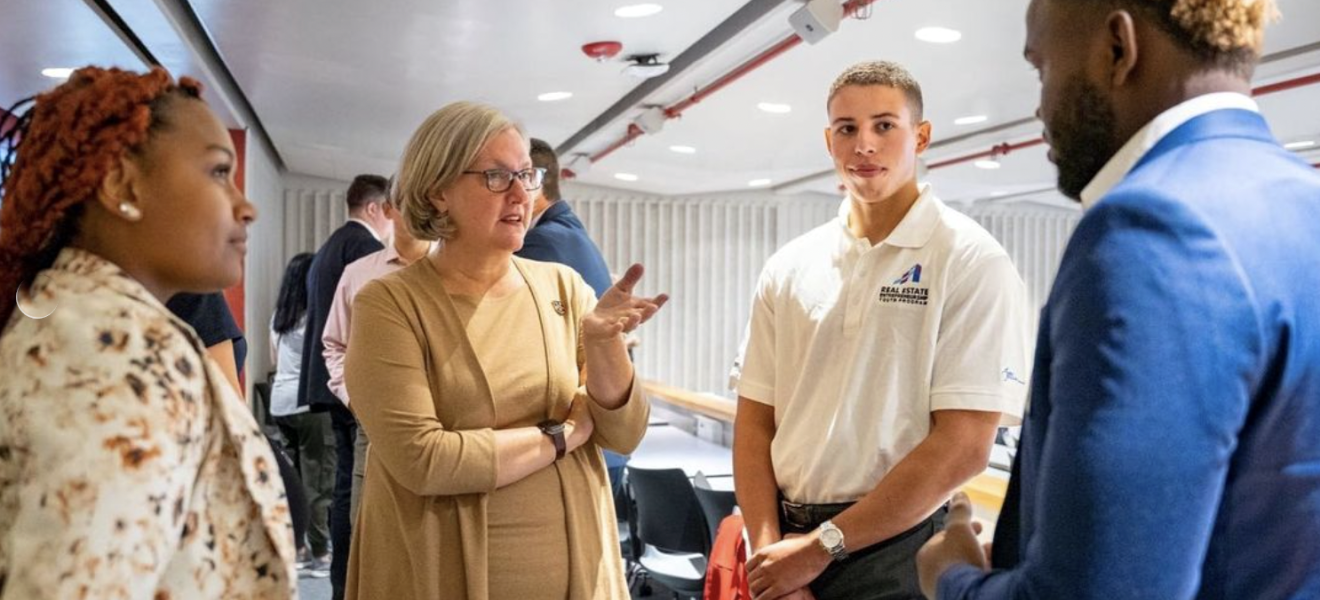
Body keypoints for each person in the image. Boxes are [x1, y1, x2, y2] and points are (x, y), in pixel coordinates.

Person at [918, 0, 1320, 598]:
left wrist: (950, 576)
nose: (1038, 107)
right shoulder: (1303, 202)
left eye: (1042, 68)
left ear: (1117, 48)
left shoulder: (1152, 229)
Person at [343, 101, 667, 599]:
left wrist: (604, 349)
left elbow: (624, 434)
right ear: (438, 191)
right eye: (496, 177)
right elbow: (424, 459)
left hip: (580, 570)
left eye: (526, 175)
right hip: (443, 571)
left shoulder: (563, 286)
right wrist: (562, 435)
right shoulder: (389, 304)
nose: (521, 194)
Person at [733, 61, 1032, 600]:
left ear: (920, 136)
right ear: (829, 141)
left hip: (898, 549)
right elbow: (755, 420)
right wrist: (768, 554)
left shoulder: (969, 259)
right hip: (784, 542)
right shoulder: (790, 264)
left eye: (884, 126)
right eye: (847, 129)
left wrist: (819, 548)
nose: (864, 144)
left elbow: (964, 444)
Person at [0, 66, 294, 597]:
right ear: (122, 184)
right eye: (217, 172)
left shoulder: (75, 315)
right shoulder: (114, 349)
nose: (245, 207)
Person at [515, 137, 630, 495]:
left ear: (532, 181)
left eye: (508, 178)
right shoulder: (568, 233)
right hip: (599, 440)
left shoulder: (540, 245)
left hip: (577, 436)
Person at [321, 179, 432, 533]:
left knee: (432, 536)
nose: (418, 212)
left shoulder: (454, 272)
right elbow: (334, 344)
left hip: (443, 424)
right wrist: (353, 398)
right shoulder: (359, 273)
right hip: (374, 425)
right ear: (387, 210)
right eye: (407, 202)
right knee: (369, 531)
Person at [298, 172, 391, 598]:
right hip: (351, 391)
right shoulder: (366, 253)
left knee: (341, 485)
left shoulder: (328, 249)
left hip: (326, 384)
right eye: (389, 210)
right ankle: (349, 582)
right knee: (353, 488)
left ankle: (343, 583)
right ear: (374, 208)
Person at [271, 251, 334, 576]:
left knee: (291, 481)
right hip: (308, 405)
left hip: (279, 403)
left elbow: (274, 359)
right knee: (318, 479)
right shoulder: (314, 319)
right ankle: (321, 553)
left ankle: (296, 548)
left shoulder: (279, 319)